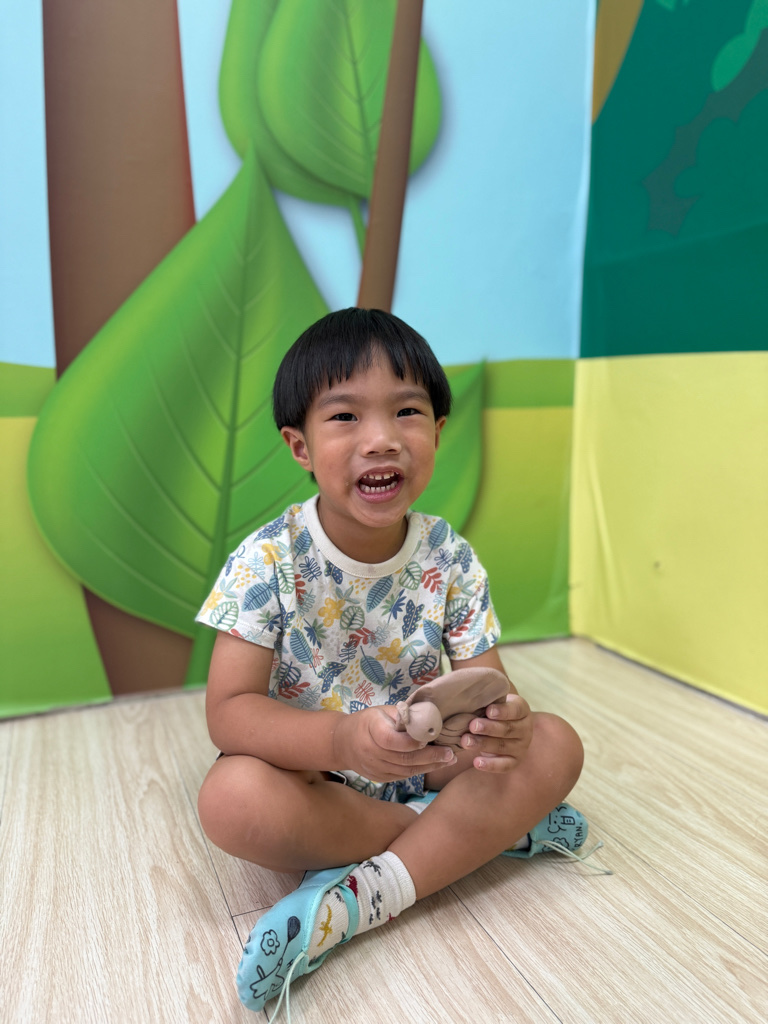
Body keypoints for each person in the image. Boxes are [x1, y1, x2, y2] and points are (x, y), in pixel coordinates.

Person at [196, 308, 589, 1014]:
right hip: (315, 775)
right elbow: (229, 714)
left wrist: (506, 726)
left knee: (556, 742)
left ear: (437, 431)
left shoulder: (450, 556)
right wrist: (343, 740)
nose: (381, 439)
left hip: (428, 762)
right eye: (345, 417)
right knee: (230, 798)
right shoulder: (268, 559)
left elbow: (491, 691)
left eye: (407, 411)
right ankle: (479, 838)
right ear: (299, 445)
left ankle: (354, 902)